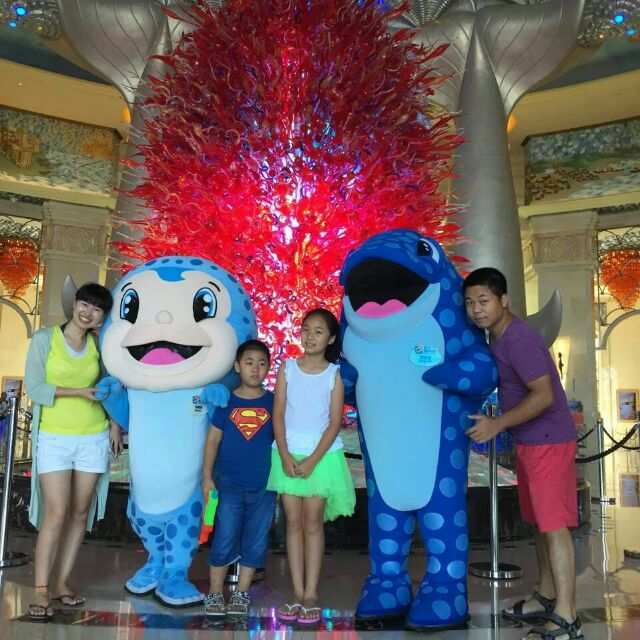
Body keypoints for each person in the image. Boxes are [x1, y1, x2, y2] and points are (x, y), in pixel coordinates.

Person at [463, 268, 582, 640]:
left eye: (484, 301)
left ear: (504, 300)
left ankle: (567, 614)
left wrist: (497, 425)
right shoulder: (497, 338)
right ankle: (546, 595)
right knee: (539, 524)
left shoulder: (519, 339)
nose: (477, 309)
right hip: (529, 440)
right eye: (470, 302)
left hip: (548, 440)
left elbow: (544, 395)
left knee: (554, 526)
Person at [24, 283, 120, 620]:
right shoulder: (44, 339)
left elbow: (110, 388)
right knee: (56, 512)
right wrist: (78, 392)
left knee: (80, 513)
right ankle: (41, 589)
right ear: (74, 304)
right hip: (54, 437)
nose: (87, 312)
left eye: (96, 309)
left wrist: (115, 424)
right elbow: (35, 388)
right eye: (84, 304)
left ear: (102, 317)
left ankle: (62, 582)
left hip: (93, 437)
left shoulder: (98, 346)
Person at [268, 308, 355, 625]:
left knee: (313, 523)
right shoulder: (288, 368)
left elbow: (334, 422)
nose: (310, 336)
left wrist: (313, 460)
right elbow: (278, 413)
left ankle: (311, 594)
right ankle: (296, 591)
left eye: (318, 331)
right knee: (292, 523)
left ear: (330, 338)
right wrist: (285, 454)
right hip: (287, 454)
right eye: (306, 329)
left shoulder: (334, 374)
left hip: (322, 457)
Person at [202, 339, 276, 617]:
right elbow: (212, 440)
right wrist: (207, 476)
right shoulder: (226, 402)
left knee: (255, 541)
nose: (255, 369)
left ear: (268, 368)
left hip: (264, 486)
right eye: (249, 362)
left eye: (262, 363)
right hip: (228, 485)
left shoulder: (274, 402)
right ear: (237, 366)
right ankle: (214, 592)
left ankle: (241, 593)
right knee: (224, 537)